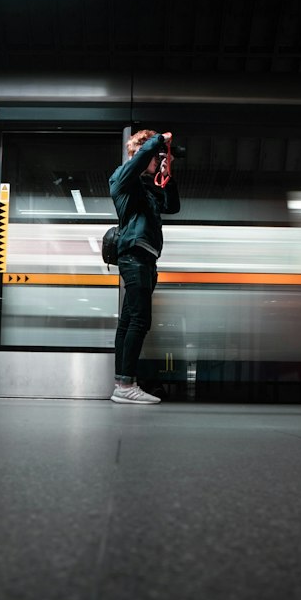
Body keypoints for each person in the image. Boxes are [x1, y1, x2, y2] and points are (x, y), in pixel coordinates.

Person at [108, 129, 180, 405]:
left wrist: (166, 175)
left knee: (128, 323)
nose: (157, 159)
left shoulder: (148, 190)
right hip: (134, 257)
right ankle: (126, 384)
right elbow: (137, 163)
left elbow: (172, 206)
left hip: (147, 260)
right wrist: (158, 141)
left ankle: (121, 383)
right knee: (139, 321)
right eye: (153, 156)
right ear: (141, 153)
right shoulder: (123, 179)